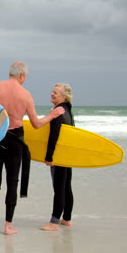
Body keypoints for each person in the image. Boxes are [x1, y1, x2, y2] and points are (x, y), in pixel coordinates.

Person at [0, 61, 65, 235]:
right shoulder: (26, 95)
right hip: (15, 140)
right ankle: (8, 226)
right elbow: (36, 124)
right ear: (22, 75)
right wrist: (52, 115)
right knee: (12, 181)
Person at [40, 83, 75, 231]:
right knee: (66, 187)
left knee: (59, 188)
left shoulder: (57, 112)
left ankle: (54, 222)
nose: (52, 94)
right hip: (67, 154)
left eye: (55, 93)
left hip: (59, 155)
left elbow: (54, 135)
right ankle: (66, 219)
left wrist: (48, 156)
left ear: (63, 96)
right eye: (52, 91)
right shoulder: (68, 110)